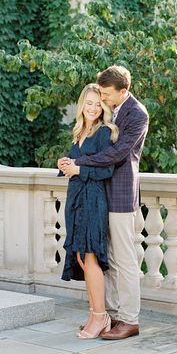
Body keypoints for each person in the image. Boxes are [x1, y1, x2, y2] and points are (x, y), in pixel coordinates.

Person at [60, 65, 149, 340]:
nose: (103, 98)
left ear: (124, 91)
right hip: (98, 194)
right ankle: (108, 314)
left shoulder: (137, 114)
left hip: (120, 194)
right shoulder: (112, 111)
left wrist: (79, 165)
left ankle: (130, 320)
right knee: (105, 258)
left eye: (107, 94)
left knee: (124, 259)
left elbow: (118, 154)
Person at [58, 83, 119, 339]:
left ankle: (100, 316)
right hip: (76, 200)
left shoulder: (104, 132)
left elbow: (107, 170)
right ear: (82, 105)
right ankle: (95, 314)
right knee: (82, 258)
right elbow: (76, 164)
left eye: (98, 104)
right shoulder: (80, 132)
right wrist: (64, 165)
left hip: (93, 200)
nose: (93, 108)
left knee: (91, 257)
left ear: (103, 107)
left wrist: (79, 169)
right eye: (89, 103)